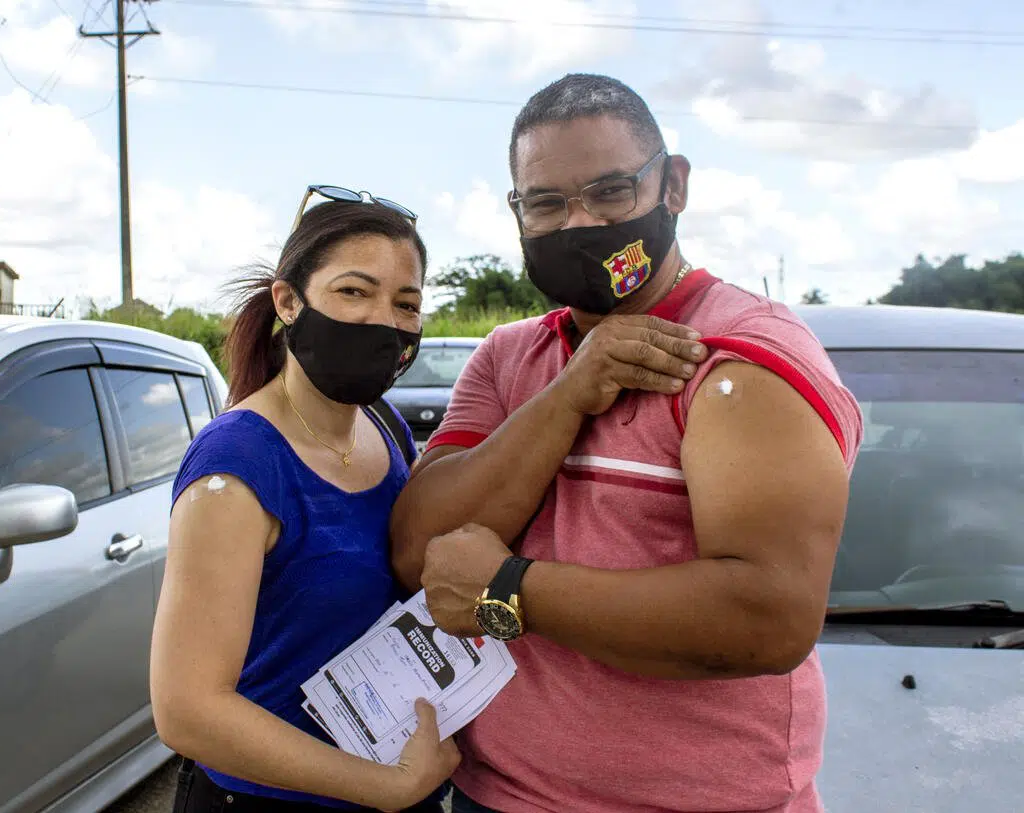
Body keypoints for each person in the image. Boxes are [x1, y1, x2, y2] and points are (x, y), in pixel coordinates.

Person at [389, 74, 865, 813]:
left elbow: (768, 616)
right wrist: (573, 390)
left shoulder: (738, 358)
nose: (578, 224)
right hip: (492, 796)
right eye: (546, 203)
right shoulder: (507, 357)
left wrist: (509, 590)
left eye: (611, 192)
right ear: (516, 209)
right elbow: (422, 550)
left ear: (672, 185)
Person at [150, 187, 459, 813]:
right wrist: (390, 788)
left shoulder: (383, 425)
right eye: (353, 291)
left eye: (406, 303)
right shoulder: (237, 468)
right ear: (289, 301)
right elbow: (187, 711)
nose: (383, 321)